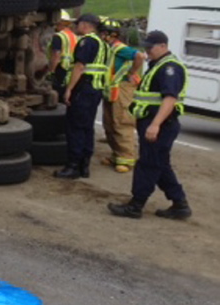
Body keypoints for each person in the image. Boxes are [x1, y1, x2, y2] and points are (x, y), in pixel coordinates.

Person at [108, 30, 192, 219]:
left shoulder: (169, 68)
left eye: (150, 48)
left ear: (163, 46)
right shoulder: (158, 65)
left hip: (161, 125)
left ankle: (135, 206)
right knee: (160, 165)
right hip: (155, 123)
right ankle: (180, 204)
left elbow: (170, 98)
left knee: (147, 164)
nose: (147, 52)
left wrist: (155, 124)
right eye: (145, 48)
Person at [55, 13, 109, 179]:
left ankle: (73, 166)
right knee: (87, 128)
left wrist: (69, 89)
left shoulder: (87, 42)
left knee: (75, 128)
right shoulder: (103, 44)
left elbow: (79, 67)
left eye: (78, 24)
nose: (76, 26)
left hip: (83, 89)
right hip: (95, 90)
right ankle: (84, 166)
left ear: (86, 25)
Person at [99, 18, 144, 173]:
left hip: (123, 88)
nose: (101, 36)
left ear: (111, 34)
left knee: (122, 122)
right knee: (109, 123)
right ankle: (116, 155)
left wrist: (132, 72)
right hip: (111, 89)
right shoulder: (108, 48)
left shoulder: (120, 48)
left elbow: (140, 56)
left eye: (103, 33)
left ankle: (126, 158)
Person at [46, 10, 78, 102]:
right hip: (71, 71)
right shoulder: (74, 36)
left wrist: (50, 72)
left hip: (60, 69)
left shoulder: (58, 36)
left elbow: (56, 56)